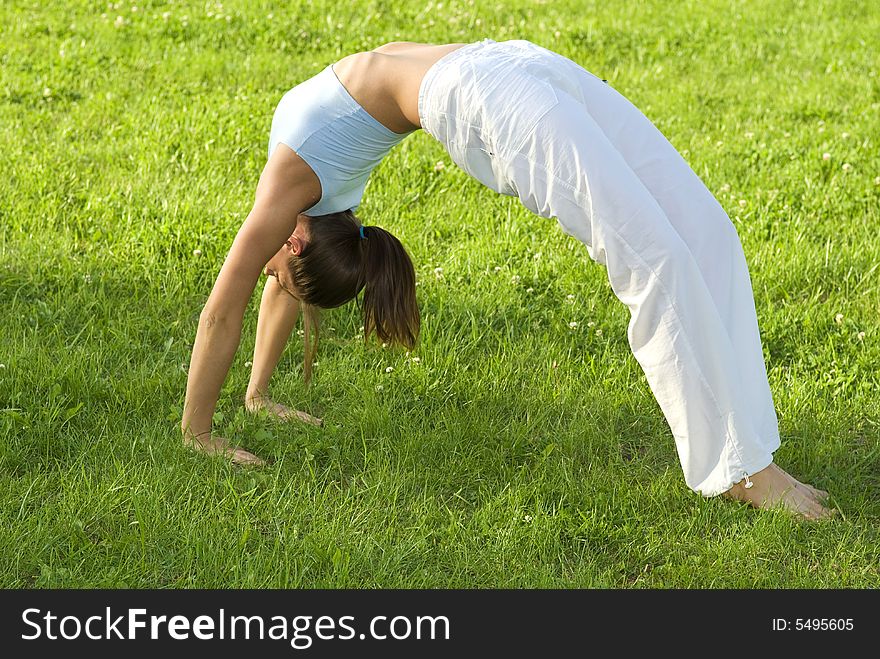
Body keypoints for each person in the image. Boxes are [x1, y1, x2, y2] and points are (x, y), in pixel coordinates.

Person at [181, 39, 832, 519]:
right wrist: (257, 394)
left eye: (275, 267)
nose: (267, 268)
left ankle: (742, 465)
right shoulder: (315, 207)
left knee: (684, 242)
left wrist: (198, 431)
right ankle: (747, 463)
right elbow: (278, 292)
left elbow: (223, 311)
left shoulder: (290, 192)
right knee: (674, 243)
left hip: (491, 88)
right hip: (506, 67)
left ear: (293, 241)